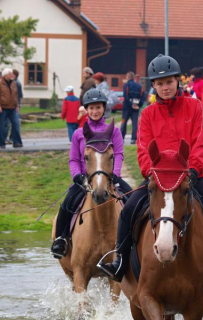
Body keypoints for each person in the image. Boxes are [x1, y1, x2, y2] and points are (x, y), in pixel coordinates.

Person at [97, 54, 203, 285]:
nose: (165, 87)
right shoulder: (148, 114)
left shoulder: (195, 106)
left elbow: (202, 142)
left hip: (190, 176)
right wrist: (150, 172)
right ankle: (120, 260)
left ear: (178, 81)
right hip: (158, 178)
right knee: (128, 211)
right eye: (160, 84)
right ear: (154, 86)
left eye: (169, 82)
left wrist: (194, 169)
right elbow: (143, 149)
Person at [51, 88, 132, 259]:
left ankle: (134, 241)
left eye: (98, 108)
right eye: (91, 108)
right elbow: (73, 159)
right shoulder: (79, 134)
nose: (95, 111)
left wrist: (115, 174)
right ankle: (61, 239)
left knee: (131, 200)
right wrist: (77, 176)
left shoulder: (114, 131)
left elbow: (118, 154)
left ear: (103, 108)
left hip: (109, 178)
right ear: (86, 110)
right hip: (85, 180)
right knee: (66, 204)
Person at [0, 68, 23, 149]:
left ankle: (16, 142)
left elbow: (15, 95)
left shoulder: (14, 83)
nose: (11, 75)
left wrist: (17, 105)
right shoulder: (0, 83)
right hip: (3, 107)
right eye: (10, 74)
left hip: (13, 107)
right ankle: (2, 143)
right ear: (5, 75)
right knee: (2, 126)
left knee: (16, 124)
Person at [121, 71, 145, 144]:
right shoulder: (139, 86)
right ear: (134, 77)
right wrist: (139, 105)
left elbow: (125, 96)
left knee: (124, 122)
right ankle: (133, 139)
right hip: (136, 107)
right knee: (135, 123)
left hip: (127, 107)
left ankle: (121, 138)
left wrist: (131, 104)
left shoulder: (126, 85)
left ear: (127, 77)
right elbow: (143, 96)